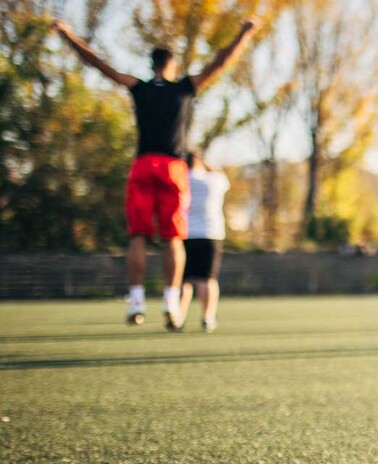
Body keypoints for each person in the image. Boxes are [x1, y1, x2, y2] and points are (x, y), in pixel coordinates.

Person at [53, 18, 258, 330]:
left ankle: (136, 302)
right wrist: (243, 33)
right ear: (171, 64)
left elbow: (99, 65)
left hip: (144, 164)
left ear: (151, 65)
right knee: (173, 237)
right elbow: (221, 62)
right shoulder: (184, 88)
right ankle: (170, 302)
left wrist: (68, 36)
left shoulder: (139, 87)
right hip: (174, 168)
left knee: (137, 235)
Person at [178, 152, 228, 333]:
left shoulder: (182, 179)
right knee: (208, 279)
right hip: (211, 234)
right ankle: (208, 317)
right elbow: (220, 175)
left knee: (182, 281)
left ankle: (178, 317)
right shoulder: (214, 179)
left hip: (185, 234)